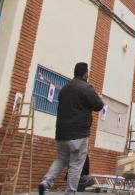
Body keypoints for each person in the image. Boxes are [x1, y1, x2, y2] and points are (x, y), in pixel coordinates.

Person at [39, 62, 104, 195]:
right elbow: (98, 105)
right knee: (76, 163)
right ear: (85, 73)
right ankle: (70, 191)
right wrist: (95, 94)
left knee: (60, 159)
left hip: (61, 133)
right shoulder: (86, 88)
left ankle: (46, 182)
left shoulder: (64, 88)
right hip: (78, 134)